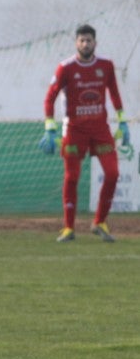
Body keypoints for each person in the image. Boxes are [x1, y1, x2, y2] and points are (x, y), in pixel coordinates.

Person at [39, 23, 128, 242]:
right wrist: (50, 128)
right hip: (74, 130)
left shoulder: (106, 65)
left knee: (113, 173)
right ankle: (69, 228)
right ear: (76, 43)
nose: (85, 44)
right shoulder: (65, 67)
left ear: (95, 43)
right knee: (72, 177)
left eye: (89, 40)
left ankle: (100, 222)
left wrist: (123, 122)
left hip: (100, 130)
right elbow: (50, 97)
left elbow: (115, 93)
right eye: (82, 40)